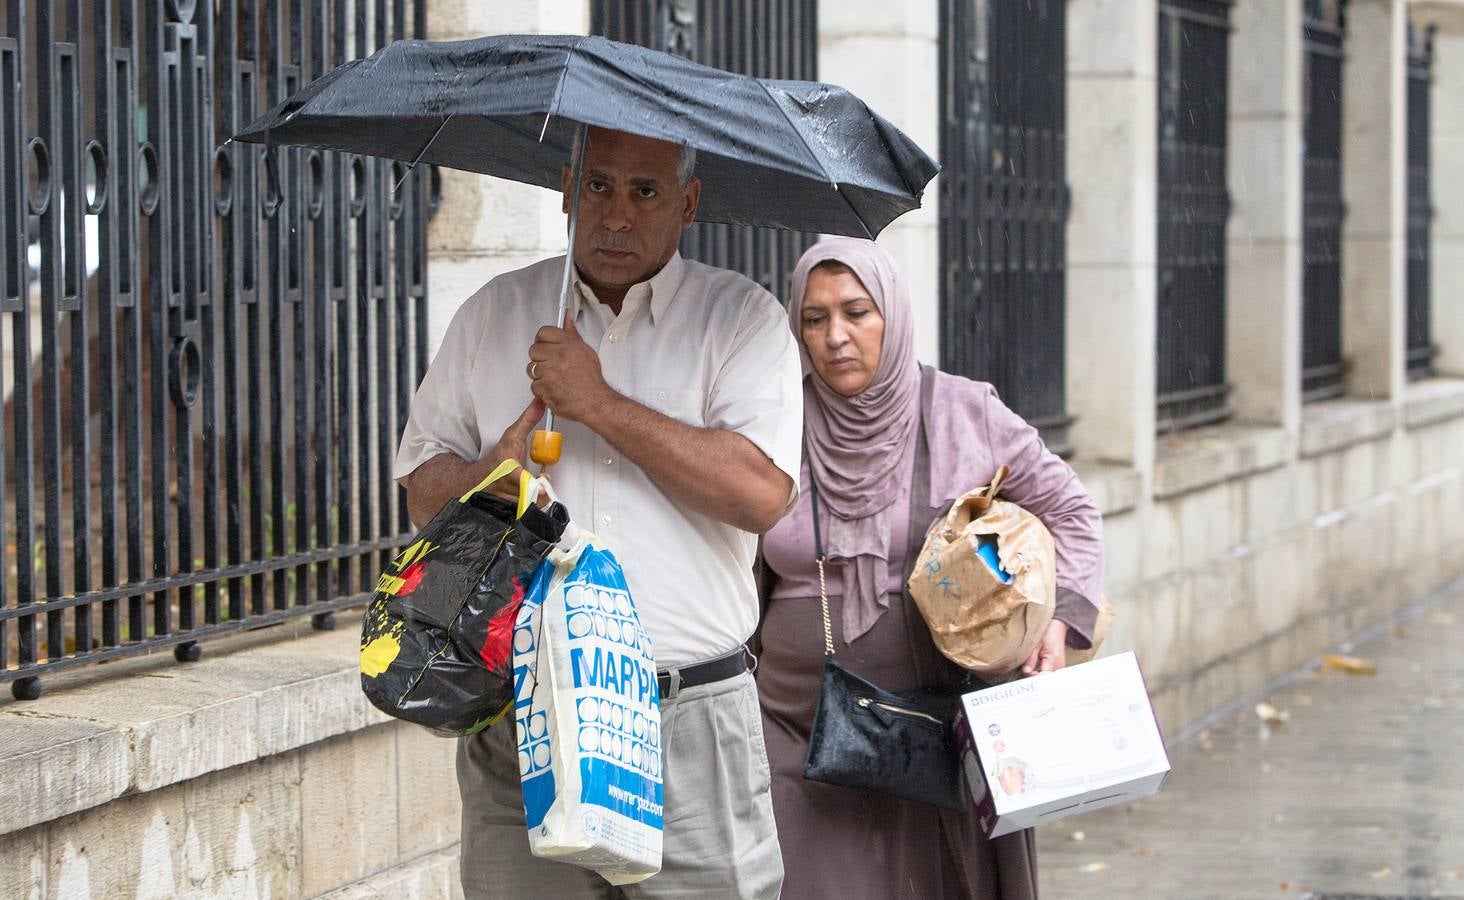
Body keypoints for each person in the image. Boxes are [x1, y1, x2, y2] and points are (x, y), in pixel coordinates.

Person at [395, 126, 800, 899]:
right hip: (522, 723)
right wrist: (487, 476)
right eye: (598, 186)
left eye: (645, 192)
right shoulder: (496, 312)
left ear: (687, 203)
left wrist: (599, 403)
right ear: (565, 190)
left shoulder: (740, 318)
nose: (616, 214)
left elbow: (760, 496)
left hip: (685, 719)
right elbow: (421, 489)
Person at [753, 237, 1104, 899]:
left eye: (858, 312)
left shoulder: (965, 413)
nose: (836, 337)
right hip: (796, 731)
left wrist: (1060, 624)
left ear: (894, 313)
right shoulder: (773, 418)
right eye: (815, 318)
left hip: (933, 734)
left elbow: (1071, 509)